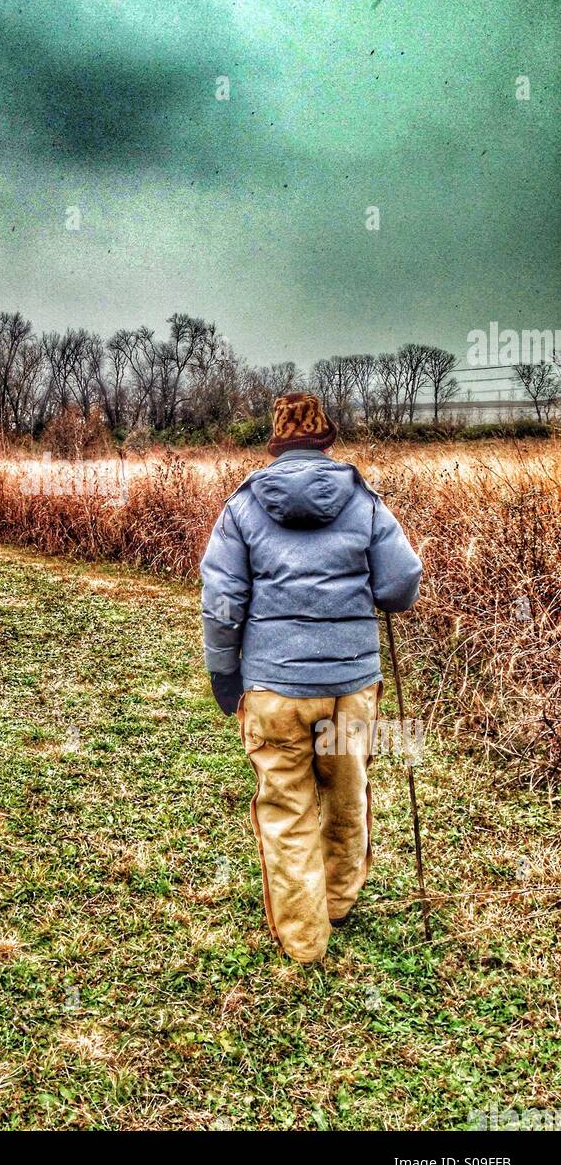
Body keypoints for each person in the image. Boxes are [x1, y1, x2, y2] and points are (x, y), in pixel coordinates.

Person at [200, 392, 422, 963]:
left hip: (275, 692)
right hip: (352, 689)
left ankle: (304, 941)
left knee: (286, 809)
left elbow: (222, 603)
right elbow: (401, 585)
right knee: (347, 795)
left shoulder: (241, 509)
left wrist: (227, 677)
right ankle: (341, 900)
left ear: (274, 446)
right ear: (327, 443)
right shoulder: (366, 502)